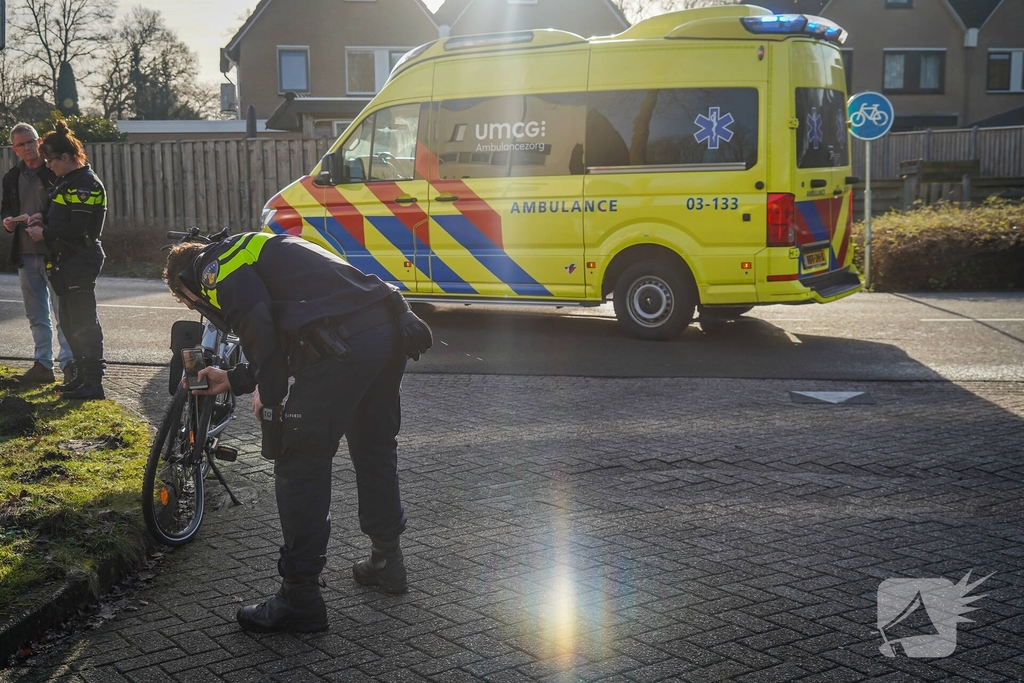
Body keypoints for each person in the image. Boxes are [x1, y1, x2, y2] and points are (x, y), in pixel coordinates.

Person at [162, 231, 432, 633]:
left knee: (298, 463)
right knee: (374, 449)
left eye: (188, 302)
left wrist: (267, 397)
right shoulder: (262, 246)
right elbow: (296, 330)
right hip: (385, 331)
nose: (198, 306)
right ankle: (387, 562)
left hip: (344, 348)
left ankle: (300, 598)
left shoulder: (212, 269)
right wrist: (237, 379)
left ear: (185, 285)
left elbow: (261, 334)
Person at [23, 120, 107, 400]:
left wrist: (43, 233)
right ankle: (81, 378)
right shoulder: (67, 181)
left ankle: (94, 384)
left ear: (66, 157)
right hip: (64, 260)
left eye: (50, 159)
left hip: (80, 260)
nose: (48, 165)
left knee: (84, 322)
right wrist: (41, 218)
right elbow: (62, 217)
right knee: (69, 322)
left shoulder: (85, 184)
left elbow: (78, 228)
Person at [2, 123, 74, 385]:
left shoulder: (55, 170)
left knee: (62, 312)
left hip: (54, 253)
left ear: (39, 141)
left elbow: (64, 208)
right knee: (36, 316)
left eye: (31, 141)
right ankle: (43, 365)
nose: (28, 148)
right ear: (15, 149)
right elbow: (6, 209)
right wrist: (8, 220)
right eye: (21, 144)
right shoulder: (11, 177)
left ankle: (69, 366)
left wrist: (42, 217)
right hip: (25, 254)